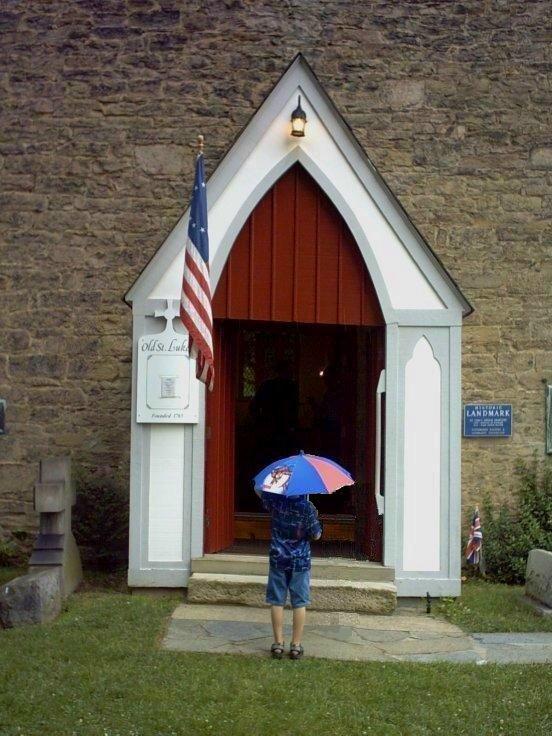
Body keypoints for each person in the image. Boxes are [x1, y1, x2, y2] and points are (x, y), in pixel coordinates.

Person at [259, 485, 322, 660]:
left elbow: (259, 491)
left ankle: (278, 643)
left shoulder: (275, 502)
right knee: (299, 602)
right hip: (300, 561)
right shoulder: (307, 508)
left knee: (277, 600)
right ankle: (296, 645)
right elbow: (316, 535)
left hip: (278, 558)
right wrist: (314, 516)